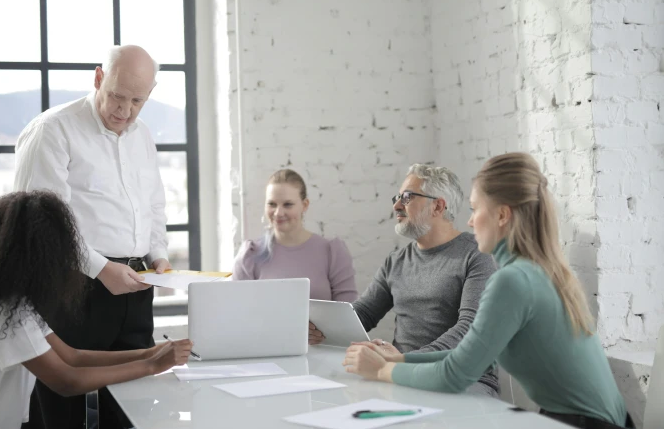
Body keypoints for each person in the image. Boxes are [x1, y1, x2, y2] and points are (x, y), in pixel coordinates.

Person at [343, 153, 633, 429]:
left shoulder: (513, 280)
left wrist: (381, 370)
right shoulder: (533, 270)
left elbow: (455, 374)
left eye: (474, 209)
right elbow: (464, 357)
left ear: (502, 215)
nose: (469, 221)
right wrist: (398, 359)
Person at [0, 191, 193, 429]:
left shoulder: (7, 300)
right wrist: (152, 365)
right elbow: (67, 381)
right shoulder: (5, 311)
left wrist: (152, 352)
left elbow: (72, 356)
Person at [13, 45, 171, 428]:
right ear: (99, 78)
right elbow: (42, 222)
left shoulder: (143, 135)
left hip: (135, 287)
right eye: (117, 95)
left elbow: (152, 205)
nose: (125, 110)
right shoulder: (53, 129)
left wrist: (159, 256)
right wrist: (101, 269)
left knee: (132, 402)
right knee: (60, 409)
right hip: (72, 286)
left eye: (138, 101)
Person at [310, 163, 499, 397]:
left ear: (438, 206)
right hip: (399, 373)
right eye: (397, 197)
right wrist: (320, 328)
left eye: (407, 197)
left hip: (465, 377)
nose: (396, 205)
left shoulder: (476, 255)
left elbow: (469, 329)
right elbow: (363, 313)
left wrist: (402, 360)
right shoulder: (396, 261)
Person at [233, 168, 358, 302]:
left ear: (304, 205)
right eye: (272, 204)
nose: (278, 213)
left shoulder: (332, 252)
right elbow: (238, 311)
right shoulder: (250, 255)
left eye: (288, 204)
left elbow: (347, 312)